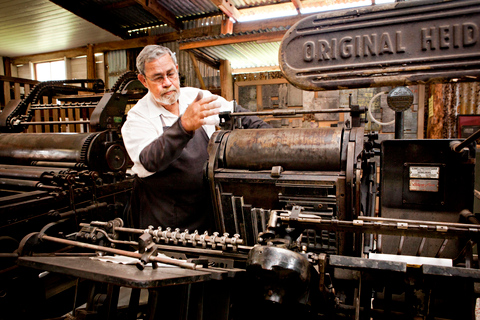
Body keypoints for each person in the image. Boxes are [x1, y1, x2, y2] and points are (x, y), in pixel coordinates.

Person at [121, 45, 270, 233]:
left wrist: (272, 139)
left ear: (176, 68)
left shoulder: (195, 97)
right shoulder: (138, 118)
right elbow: (149, 159)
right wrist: (183, 126)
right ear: (143, 80)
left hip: (204, 211)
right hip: (165, 221)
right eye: (158, 78)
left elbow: (237, 116)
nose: (167, 83)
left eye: (171, 74)